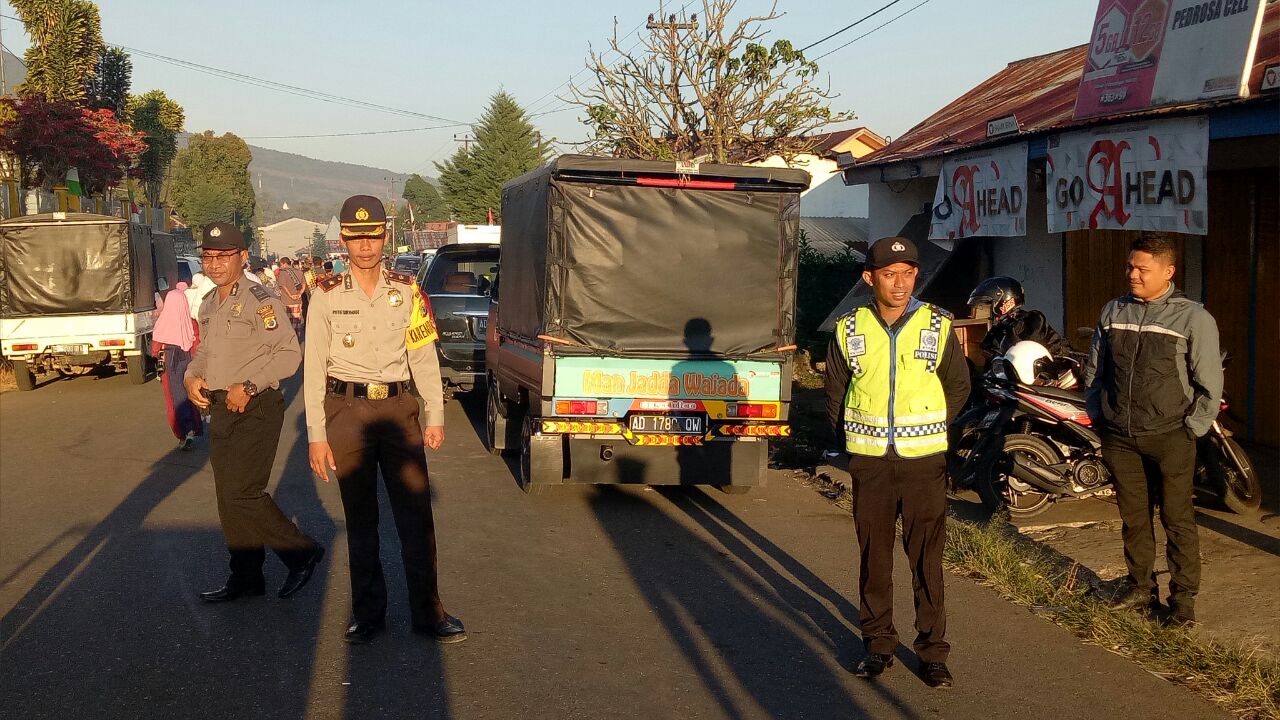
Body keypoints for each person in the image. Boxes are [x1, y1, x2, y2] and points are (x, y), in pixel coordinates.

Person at [304, 195, 465, 645]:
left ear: (384, 236)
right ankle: (368, 613)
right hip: (347, 412)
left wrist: (434, 413)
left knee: (416, 516)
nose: (365, 245)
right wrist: (317, 436)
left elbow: (422, 354)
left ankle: (428, 612)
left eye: (372, 235)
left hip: (398, 411)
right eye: (355, 237)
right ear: (343, 240)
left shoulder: (408, 291)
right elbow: (314, 367)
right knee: (361, 518)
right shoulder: (325, 295)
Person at [824, 236, 969, 688]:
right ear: (870, 279)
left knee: (927, 559)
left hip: (924, 460)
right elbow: (835, 393)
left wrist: (930, 434)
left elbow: (958, 388)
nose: (901, 282)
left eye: (908, 274)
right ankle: (878, 645)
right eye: (890, 274)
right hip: (870, 462)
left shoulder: (938, 324)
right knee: (875, 558)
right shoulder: (848, 329)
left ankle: (932, 652)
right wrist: (855, 446)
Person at [1083, 235, 1222, 626]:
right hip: (1120, 437)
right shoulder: (1113, 311)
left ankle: (1184, 602)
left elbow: (1209, 385)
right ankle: (1141, 587)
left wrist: (1190, 429)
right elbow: (1095, 372)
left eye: (1143, 268)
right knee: (1134, 517)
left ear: (1168, 271)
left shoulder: (1193, 318)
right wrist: (1100, 415)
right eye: (1130, 266)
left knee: (1177, 519)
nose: (1133, 275)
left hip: (1170, 437)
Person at [183, 222, 325, 603]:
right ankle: (246, 576)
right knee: (227, 496)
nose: (214, 264)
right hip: (220, 406)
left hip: (256, 406)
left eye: (224, 256)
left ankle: (302, 552)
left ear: (243, 257)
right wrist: (192, 376)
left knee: (243, 493)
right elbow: (206, 352)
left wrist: (248, 386)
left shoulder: (261, 300)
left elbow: (288, 354)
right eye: (208, 257)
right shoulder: (211, 302)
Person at [967, 276, 1070, 359]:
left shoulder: (1031, 322)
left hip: (1048, 377)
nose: (984, 310)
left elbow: (1023, 354)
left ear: (1004, 302)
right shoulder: (998, 328)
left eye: (988, 305)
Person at [152, 281, 202, 449]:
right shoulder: (191, 321)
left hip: (170, 358)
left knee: (174, 397)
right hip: (188, 358)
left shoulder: (163, 322)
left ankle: (183, 431)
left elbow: (155, 347)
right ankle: (193, 427)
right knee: (190, 392)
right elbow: (197, 341)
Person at [276, 257, 307, 337]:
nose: (280, 266)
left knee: (287, 323)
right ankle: (297, 338)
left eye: (280, 264)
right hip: (298, 300)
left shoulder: (282, 273)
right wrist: (300, 293)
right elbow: (304, 284)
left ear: (283, 263)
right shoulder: (299, 272)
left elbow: (283, 286)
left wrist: (290, 295)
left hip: (287, 301)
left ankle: (290, 340)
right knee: (297, 322)